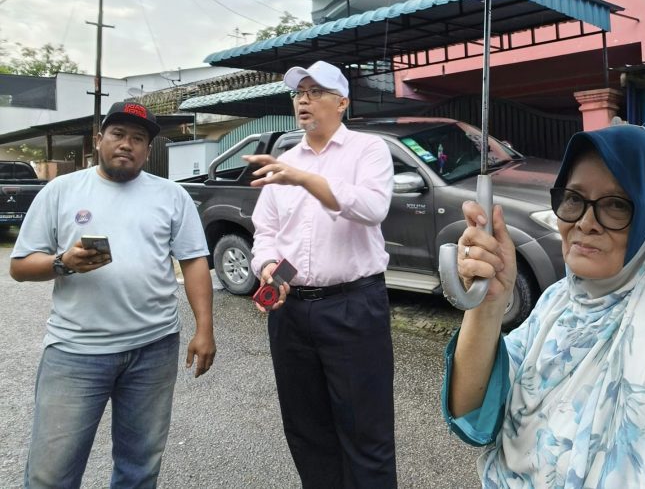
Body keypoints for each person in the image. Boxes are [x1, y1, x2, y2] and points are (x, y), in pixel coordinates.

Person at [442, 123, 645, 488]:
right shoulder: (559, 303)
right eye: (573, 199)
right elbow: (472, 414)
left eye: (616, 205)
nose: (586, 223)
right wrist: (489, 303)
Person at [10, 101, 215, 489]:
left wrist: (204, 328)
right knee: (51, 474)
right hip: (75, 351)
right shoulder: (61, 191)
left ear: (147, 149)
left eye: (138, 139)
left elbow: (193, 262)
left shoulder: (171, 196)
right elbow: (19, 266)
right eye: (118, 134)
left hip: (153, 348)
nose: (127, 144)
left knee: (139, 468)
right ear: (99, 139)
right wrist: (63, 262)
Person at [244, 60, 396, 489]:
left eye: (314, 91)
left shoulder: (368, 150)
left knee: (366, 432)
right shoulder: (285, 163)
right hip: (291, 312)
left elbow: (371, 208)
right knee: (307, 430)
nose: (303, 100)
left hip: (353, 305)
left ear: (342, 101)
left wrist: (305, 179)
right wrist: (268, 266)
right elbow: (267, 232)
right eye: (298, 93)